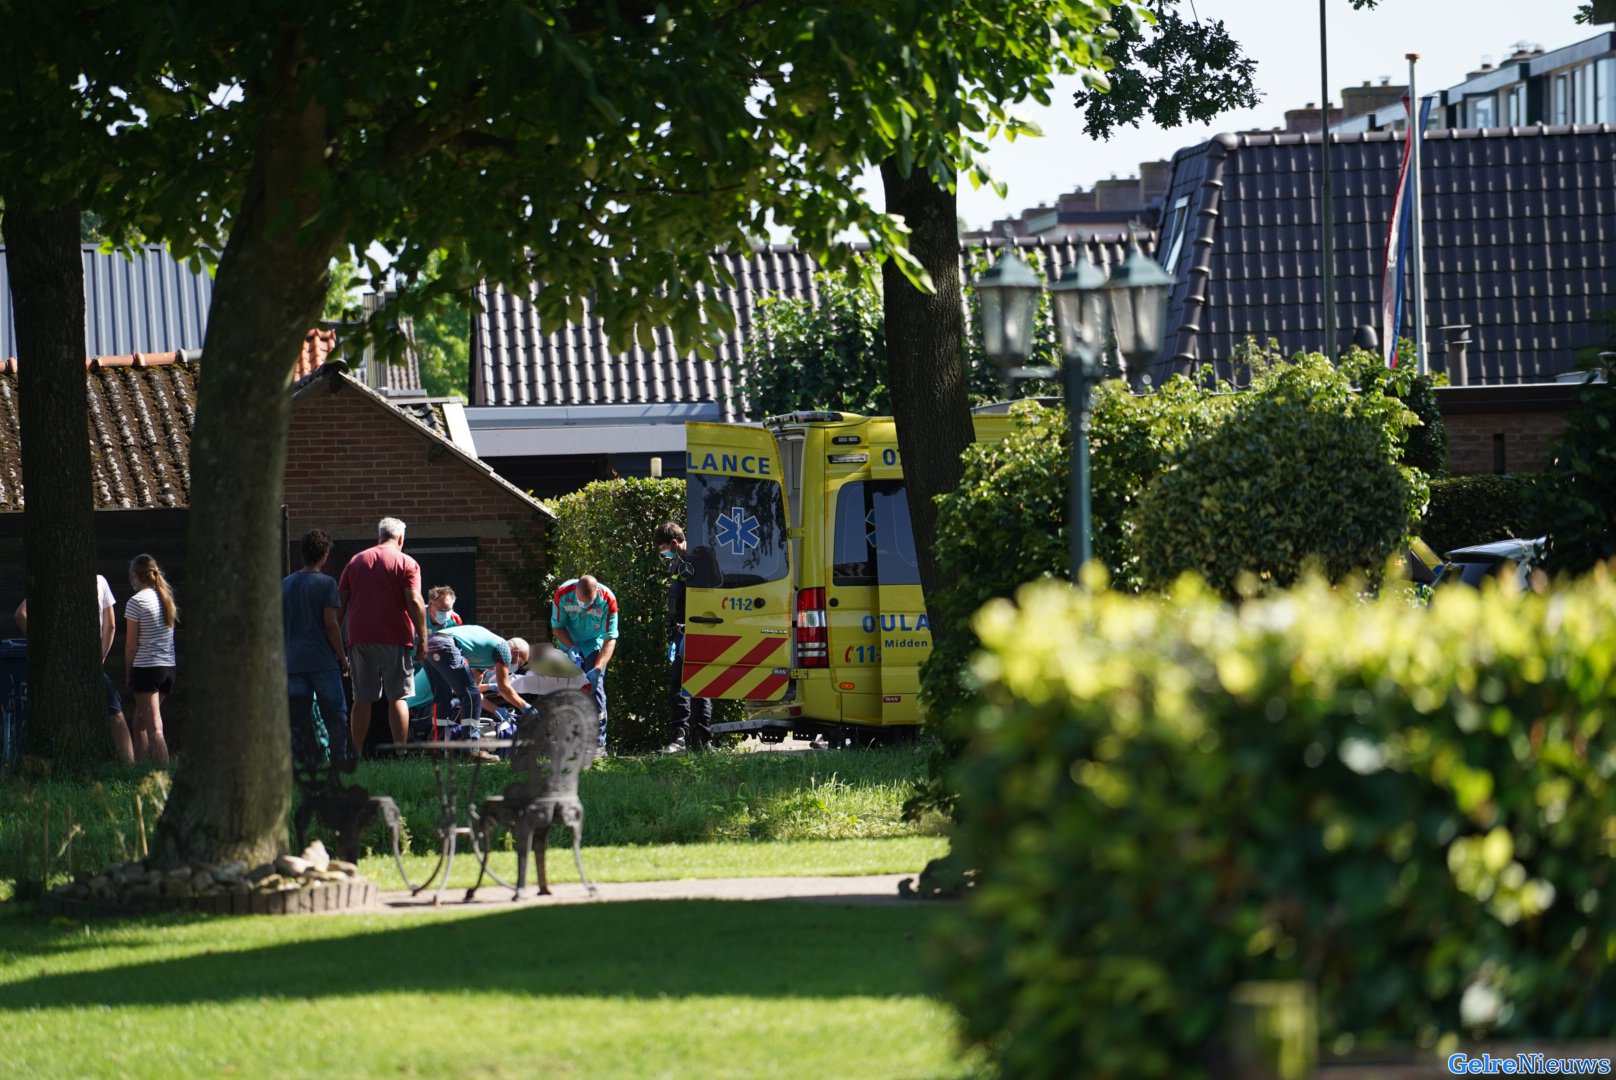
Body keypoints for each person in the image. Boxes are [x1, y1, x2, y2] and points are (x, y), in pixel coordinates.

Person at [14, 577, 135, 763]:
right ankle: (128, 766)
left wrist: (45, 647)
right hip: (89, 661)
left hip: (60, 662)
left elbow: (20, 614)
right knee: (115, 716)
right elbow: (110, 626)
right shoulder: (100, 581)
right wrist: (100, 657)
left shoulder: (49, 580)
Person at [338, 517, 427, 755]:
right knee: (397, 696)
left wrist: (336, 638)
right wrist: (423, 639)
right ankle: (401, 752)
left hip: (359, 637)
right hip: (394, 636)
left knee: (362, 698)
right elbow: (415, 601)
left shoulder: (356, 560)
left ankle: (355, 752)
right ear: (401, 538)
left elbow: (341, 601)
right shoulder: (406, 562)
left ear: (379, 536)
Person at [282, 529, 352, 765]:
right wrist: (342, 658)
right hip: (322, 660)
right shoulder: (327, 583)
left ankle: (299, 762)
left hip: (292, 660)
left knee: (298, 717)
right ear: (324, 555)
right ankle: (339, 761)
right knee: (336, 713)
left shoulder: (285, 584)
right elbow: (331, 625)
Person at [423, 623, 529, 762]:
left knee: (443, 697)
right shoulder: (503, 649)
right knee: (469, 696)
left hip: (429, 644)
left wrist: (488, 700)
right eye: (520, 663)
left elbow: (475, 689)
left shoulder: (484, 657)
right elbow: (504, 688)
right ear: (515, 652)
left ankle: (434, 748)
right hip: (445, 644)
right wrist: (525, 707)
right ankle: (471, 749)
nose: (517, 667)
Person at [653, 523, 713, 754]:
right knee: (679, 686)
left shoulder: (698, 559)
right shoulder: (680, 562)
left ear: (675, 544)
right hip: (682, 632)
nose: (664, 553)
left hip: (698, 630)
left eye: (664, 548)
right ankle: (684, 739)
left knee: (697, 686)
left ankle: (701, 740)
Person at [550, 574, 618, 751]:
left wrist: (598, 668)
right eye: (580, 602)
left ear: (597, 592)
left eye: (588, 603)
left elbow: (610, 638)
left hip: (594, 646)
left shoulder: (608, 599)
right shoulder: (563, 593)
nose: (584, 607)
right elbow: (557, 627)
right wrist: (571, 647)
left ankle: (598, 744)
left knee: (595, 689)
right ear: (575, 591)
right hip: (569, 644)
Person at [124, 554, 177, 766]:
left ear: (136, 575)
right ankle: (141, 768)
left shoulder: (136, 602)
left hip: (147, 669)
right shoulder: (165, 598)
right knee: (139, 722)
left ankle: (165, 774)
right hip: (167, 669)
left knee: (155, 728)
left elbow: (130, 645)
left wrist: (129, 673)